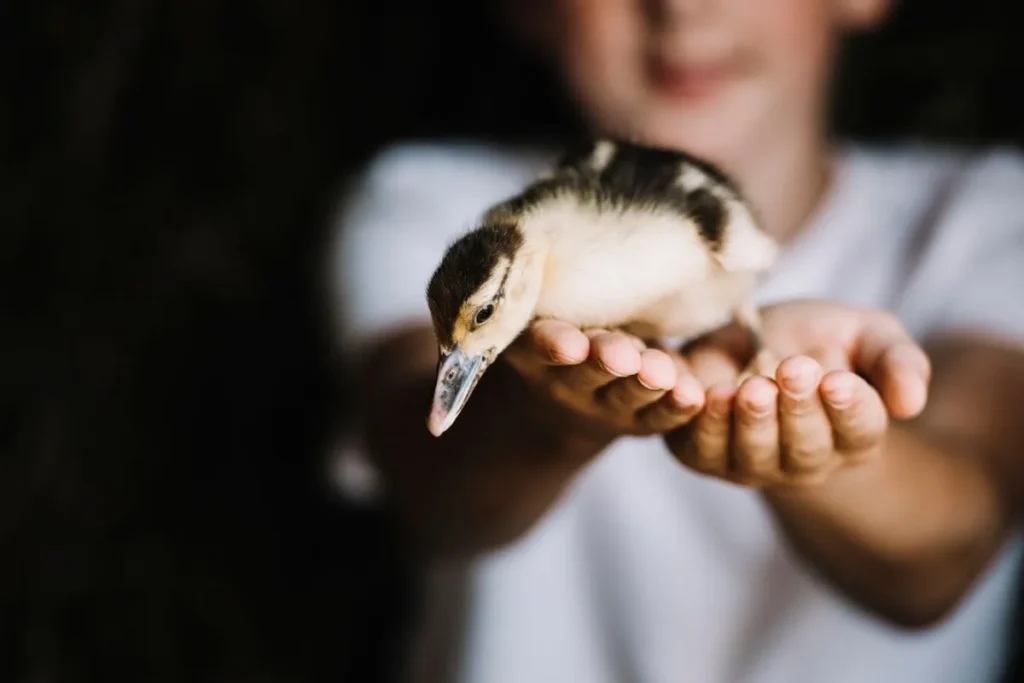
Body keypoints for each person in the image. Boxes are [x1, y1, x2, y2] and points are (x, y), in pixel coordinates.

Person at [330, 1, 1024, 681]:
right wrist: (545, 413)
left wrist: (810, 432)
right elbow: (428, 495)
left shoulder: (988, 223)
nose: (681, 11)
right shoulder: (424, 205)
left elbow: (949, 551)